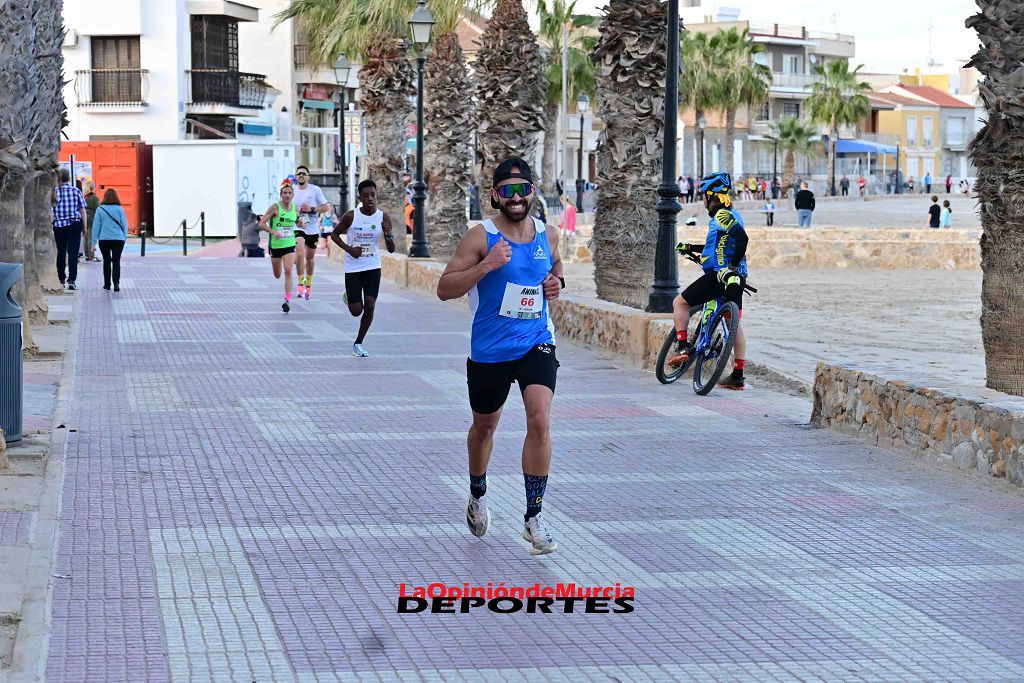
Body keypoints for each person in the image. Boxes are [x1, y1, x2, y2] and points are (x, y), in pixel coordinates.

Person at [436, 157, 563, 555]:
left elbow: (555, 265)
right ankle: (477, 492)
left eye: (522, 189)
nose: (515, 197)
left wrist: (557, 280)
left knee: (539, 417)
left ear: (532, 192)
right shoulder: (480, 237)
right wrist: (487, 265)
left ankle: (533, 516)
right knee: (484, 428)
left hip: (535, 339)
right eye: (506, 191)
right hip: (490, 349)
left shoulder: (548, 233)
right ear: (494, 194)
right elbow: (444, 288)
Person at [668, 171, 749, 390]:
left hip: (720, 275)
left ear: (712, 195)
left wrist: (728, 268)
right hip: (738, 278)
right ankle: (738, 375)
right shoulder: (731, 215)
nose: (704, 201)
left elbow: (742, 238)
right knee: (734, 324)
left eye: (704, 195)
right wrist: (691, 248)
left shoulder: (723, 216)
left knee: (680, 303)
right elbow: (719, 247)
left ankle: (683, 346)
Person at [332, 179, 396, 357]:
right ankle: (349, 297)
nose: (370, 199)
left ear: (377, 196)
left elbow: (391, 250)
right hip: (353, 267)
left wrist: (389, 235)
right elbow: (334, 235)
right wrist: (350, 249)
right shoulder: (351, 216)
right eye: (366, 195)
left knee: (370, 305)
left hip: (372, 266)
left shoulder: (383, 217)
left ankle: (358, 342)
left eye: (373, 195)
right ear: (360, 197)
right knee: (356, 311)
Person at [258, 181, 299, 313]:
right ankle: (278, 270)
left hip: (289, 243)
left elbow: (296, 220)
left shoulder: (295, 208)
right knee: (277, 274)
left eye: (290, 193)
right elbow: (262, 223)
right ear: (281, 195)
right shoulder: (275, 208)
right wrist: (273, 232)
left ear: (293, 195)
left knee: (288, 269)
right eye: (285, 193)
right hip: (275, 245)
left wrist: (302, 223)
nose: (287, 195)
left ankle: (287, 300)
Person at [291, 166, 330, 301]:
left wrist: (312, 209)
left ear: (308, 176)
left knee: (309, 258)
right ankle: (300, 283)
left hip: (312, 229)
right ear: (296, 176)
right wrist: (294, 215)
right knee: (299, 253)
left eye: (304, 173)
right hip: (297, 228)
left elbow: (326, 207)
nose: (301, 175)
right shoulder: (292, 191)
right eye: (298, 174)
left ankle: (308, 284)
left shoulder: (315, 190)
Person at [52, 168, 87, 291]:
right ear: (69, 178)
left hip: (59, 226)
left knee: (60, 252)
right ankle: (72, 280)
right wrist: (84, 226)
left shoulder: (54, 192)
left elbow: (50, 211)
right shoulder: (76, 191)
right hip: (74, 225)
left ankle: (61, 278)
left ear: (59, 178)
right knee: (73, 253)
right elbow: (82, 210)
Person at [91, 188, 129, 291]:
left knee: (106, 261)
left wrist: (93, 243)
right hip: (118, 239)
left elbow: (96, 227)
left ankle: (107, 284)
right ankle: (116, 284)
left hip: (104, 240)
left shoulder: (100, 209)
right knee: (116, 261)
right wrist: (123, 237)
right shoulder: (120, 209)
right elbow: (125, 225)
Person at [83, 181, 100, 263]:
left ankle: (86, 255)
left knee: (85, 238)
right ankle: (91, 256)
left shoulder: (84, 197)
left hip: (84, 218)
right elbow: (98, 209)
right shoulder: (94, 198)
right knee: (91, 238)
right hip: (92, 219)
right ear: (93, 188)